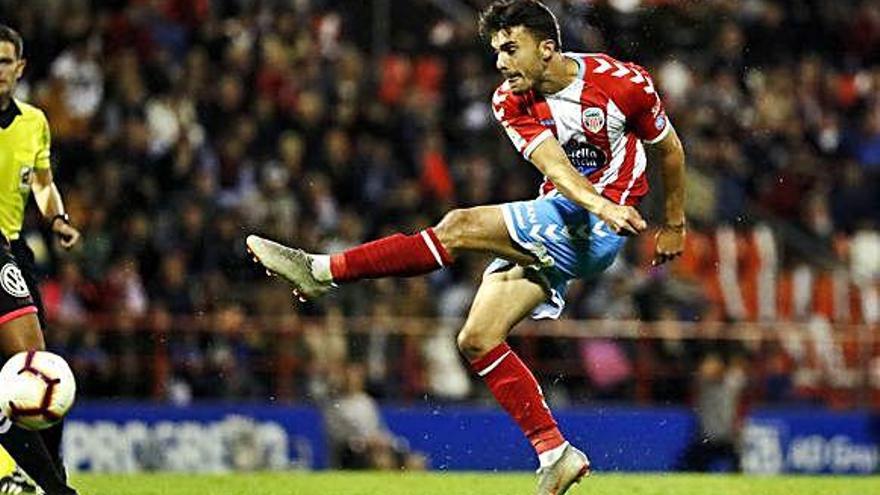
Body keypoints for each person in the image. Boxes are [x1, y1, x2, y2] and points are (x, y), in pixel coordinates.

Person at [247, 1, 686, 493]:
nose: (500, 62)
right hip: (567, 216)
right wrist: (600, 205)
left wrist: (674, 223)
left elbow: (668, 148)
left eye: (510, 49)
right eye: (496, 50)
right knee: (477, 338)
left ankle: (321, 271)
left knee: (457, 226)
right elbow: (557, 171)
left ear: (547, 48)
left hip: (600, 232)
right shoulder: (510, 101)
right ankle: (555, 452)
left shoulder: (622, 82)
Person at [0, 24, 81, 495]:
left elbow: (43, 182)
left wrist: (57, 219)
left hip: (12, 253)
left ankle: (50, 481)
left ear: (20, 67)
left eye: (4, 62)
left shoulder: (34, 122)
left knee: (37, 370)